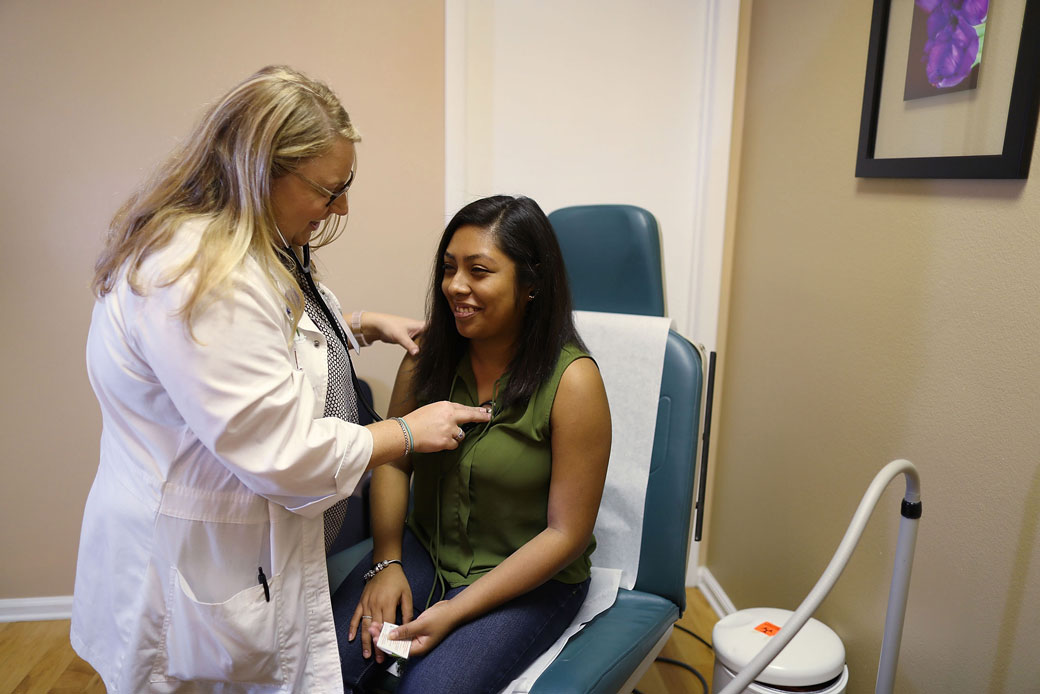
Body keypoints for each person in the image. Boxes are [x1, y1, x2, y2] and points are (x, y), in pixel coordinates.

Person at [71, 65, 491, 694]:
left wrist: (355, 323)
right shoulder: (199, 275)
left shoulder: (239, 242)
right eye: (329, 189)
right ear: (262, 172)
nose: (341, 205)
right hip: (196, 565)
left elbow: (263, 347)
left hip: (237, 544)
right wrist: (403, 432)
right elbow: (281, 451)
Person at [333, 195, 612, 694]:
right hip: (424, 550)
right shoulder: (426, 359)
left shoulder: (573, 383)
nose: (455, 286)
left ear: (531, 284)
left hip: (528, 579)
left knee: (428, 689)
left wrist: (452, 612)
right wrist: (388, 560)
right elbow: (395, 464)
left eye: (479, 271)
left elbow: (565, 534)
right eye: (448, 268)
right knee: (334, 667)